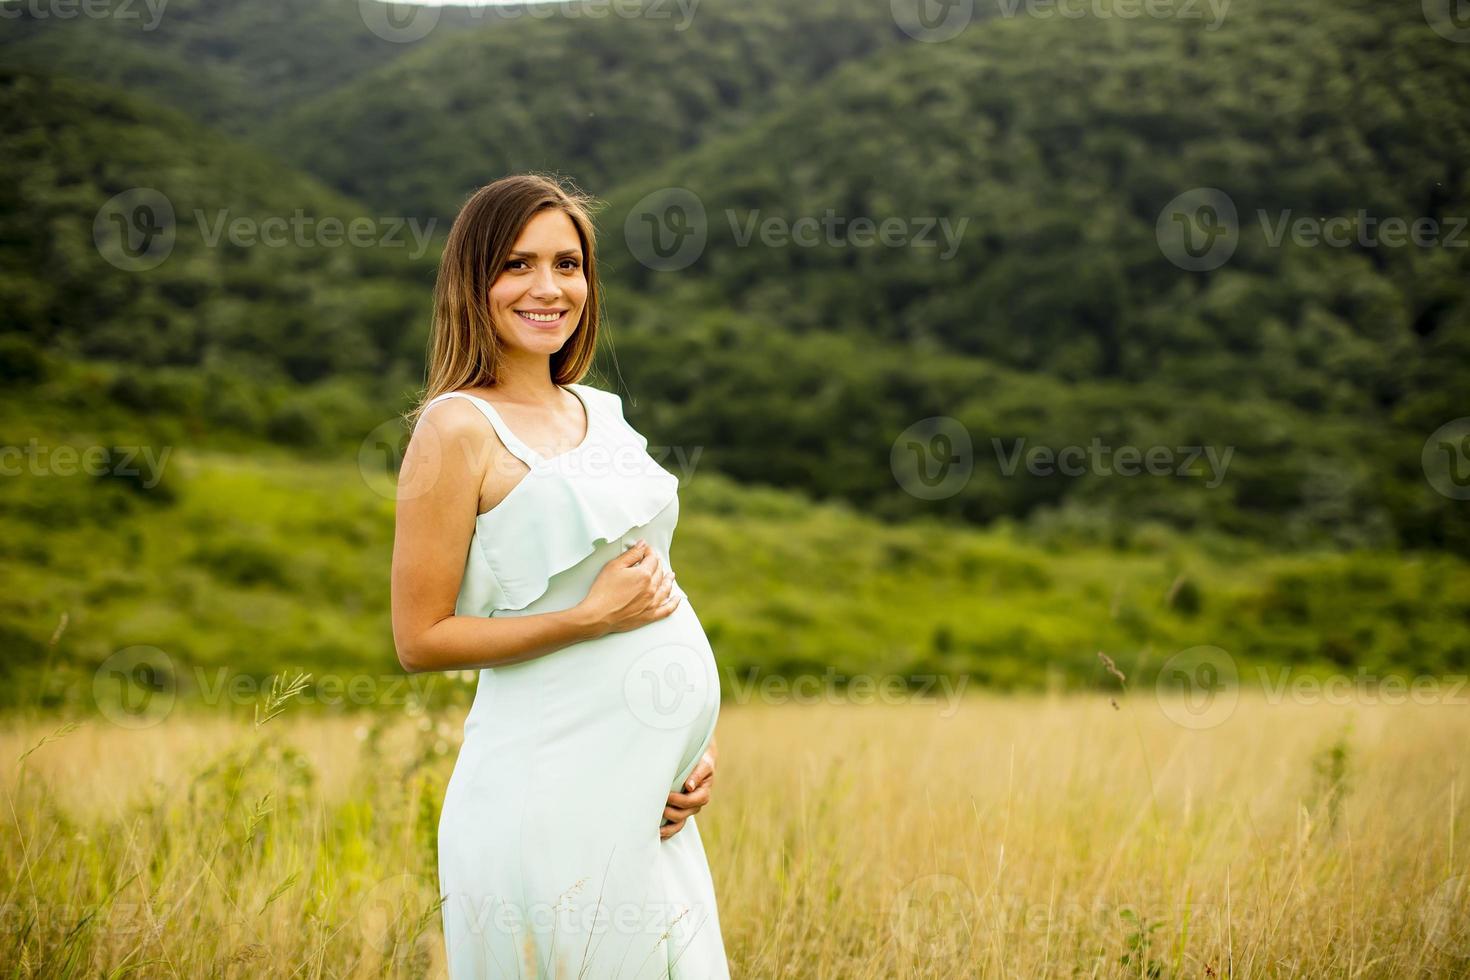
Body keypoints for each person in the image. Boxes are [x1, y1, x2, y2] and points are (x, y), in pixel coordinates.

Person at [390, 174, 729, 978]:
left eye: (568, 264)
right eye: (517, 265)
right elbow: (420, 639)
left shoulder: (601, 411)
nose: (549, 288)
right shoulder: (455, 429)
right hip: (546, 794)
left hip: (648, 802)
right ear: (473, 283)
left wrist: (693, 743)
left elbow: (657, 591)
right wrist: (585, 621)